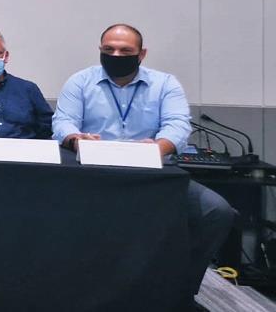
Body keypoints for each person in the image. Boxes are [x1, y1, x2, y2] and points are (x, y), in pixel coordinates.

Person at [52, 23, 235, 305]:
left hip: (153, 175)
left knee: (216, 211)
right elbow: (63, 122)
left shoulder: (165, 84)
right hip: (93, 175)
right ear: (100, 50)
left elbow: (177, 125)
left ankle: (181, 288)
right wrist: (76, 139)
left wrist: (158, 148)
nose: (116, 55)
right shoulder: (80, 81)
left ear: (142, 54)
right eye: (109, 49)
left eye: (125, 51)